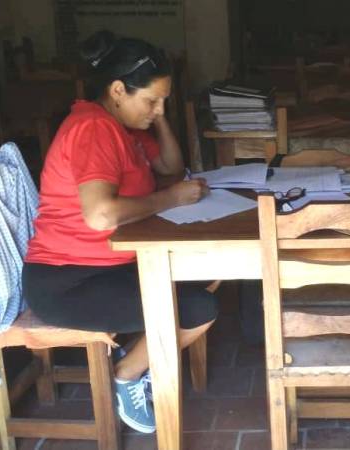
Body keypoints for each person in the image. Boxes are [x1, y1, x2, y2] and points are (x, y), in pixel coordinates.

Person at [21, 30, 218, 434]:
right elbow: (100, 215)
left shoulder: (120, 127)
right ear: (116, 90)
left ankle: (135, 360)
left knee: (207, 278)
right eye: (151, 100)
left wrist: (159, 117)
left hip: (105, 269)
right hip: (68, 282)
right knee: (199, 307)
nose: (157, 108)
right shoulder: (93, 129)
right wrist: (171, 200)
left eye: (162, 100)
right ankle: (129, 372)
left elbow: (170, 167)